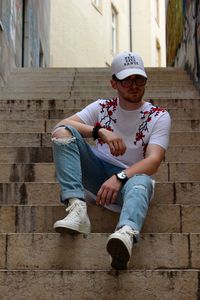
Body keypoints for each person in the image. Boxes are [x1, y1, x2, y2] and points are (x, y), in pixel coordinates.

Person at [51, 51, 171, 270]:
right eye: (127, 80)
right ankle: (77, 209)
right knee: (62, 133)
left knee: (143, 180)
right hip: (97, 173)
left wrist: (120, 177)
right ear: (114, 83)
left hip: (131, 181)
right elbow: (62, 125)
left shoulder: (158, 116)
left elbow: (153, 161)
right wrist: (99, 131)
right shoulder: (102, 107)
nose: (134, 85)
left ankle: (124, 235)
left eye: (139, 79)